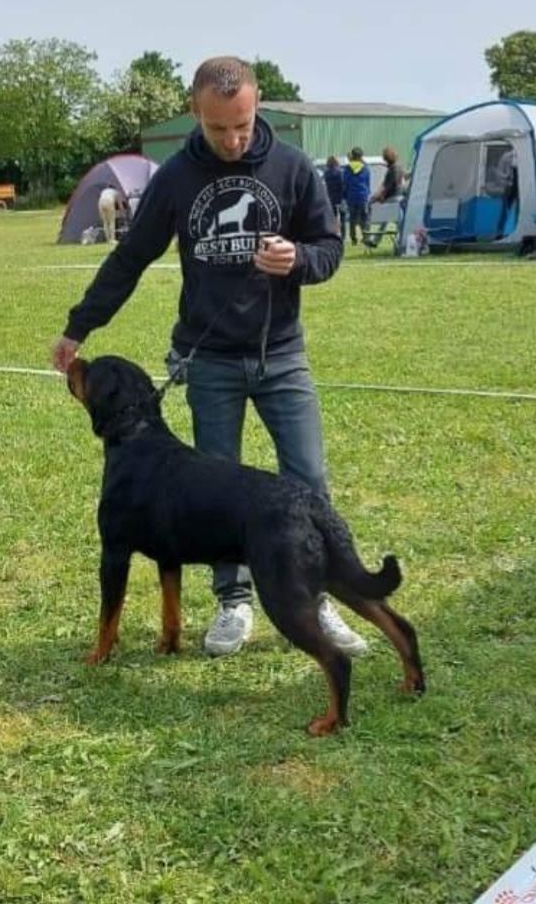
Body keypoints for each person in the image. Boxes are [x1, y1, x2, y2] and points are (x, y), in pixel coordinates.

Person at [52, 55, 367, 660]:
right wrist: (79, 327)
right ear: (196, 111)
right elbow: (130, 258)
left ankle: (318, 600)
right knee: (212, 491)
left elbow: (329, 248)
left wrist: (297, 260)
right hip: (210, 360)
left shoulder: (293, 167)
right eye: (218, 127)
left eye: (242, 125)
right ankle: (233, 603)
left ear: (258, 104)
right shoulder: (175, 178)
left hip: (282, 355)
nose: (232, 139)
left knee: (308, 480)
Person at [365, 146, 404, 248]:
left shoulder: (392, 170)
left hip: (391, 198)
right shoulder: (399, 167)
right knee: (395, 221)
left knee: (385, 220)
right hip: (399, 197)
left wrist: (378, 197)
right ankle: (378, 240)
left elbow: (387, 186)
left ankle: (377, 240)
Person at [341, 147, 371, 246]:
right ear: (361, 156)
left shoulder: (347, 169)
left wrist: (345, 196)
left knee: (352, 219)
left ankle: (353, 239)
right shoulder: (365, 168)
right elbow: (367, 182)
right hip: (363, 196)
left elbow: (345, 183)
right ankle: (365, 237)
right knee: (364, 218)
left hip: (351, 197)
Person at [323, 155, 345, 238]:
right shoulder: (340, 173)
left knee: (333, 217)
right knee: (343, 217)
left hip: (331, 197)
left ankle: (333, 234)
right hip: (340, 197)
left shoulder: (326, 173)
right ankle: (343, 234)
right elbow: (342, 185)